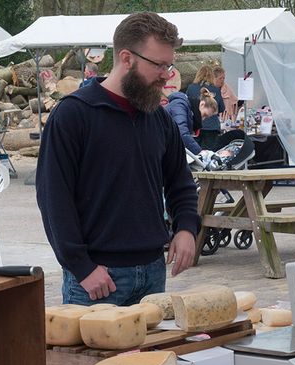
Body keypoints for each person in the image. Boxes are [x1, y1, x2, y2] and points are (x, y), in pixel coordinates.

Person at [37, 12, 200, 306]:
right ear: (126, 58)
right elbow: (53, 199)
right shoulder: (73, 115)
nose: (167, 74)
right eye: (159, 65)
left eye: (169, 64)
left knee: (155, 355)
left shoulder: (159, 119)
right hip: (97, 280)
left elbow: (180, 182)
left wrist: (187, 228)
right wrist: (81, 266)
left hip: (153, 272)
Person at [186, 63, 225, 132]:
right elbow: (221, 108)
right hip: (212, 126)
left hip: (195, 125)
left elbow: (187, 105)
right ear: (212, 76)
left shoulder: (191, 88)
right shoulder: (215, 89)